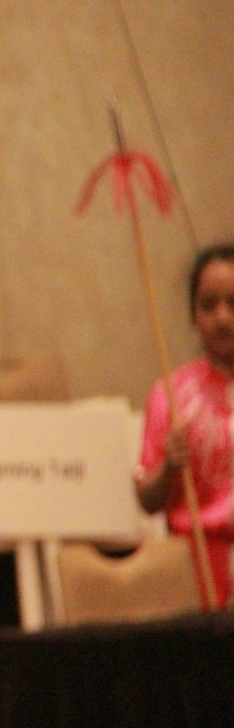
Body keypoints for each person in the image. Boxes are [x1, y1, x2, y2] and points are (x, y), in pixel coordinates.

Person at [135, 242, 234, 609]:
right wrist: (168, 468)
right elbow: (146, 500)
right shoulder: (171, 395)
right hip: (194, 569)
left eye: (233, 304)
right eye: (209, 305)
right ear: (194, 314)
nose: (222, 318)